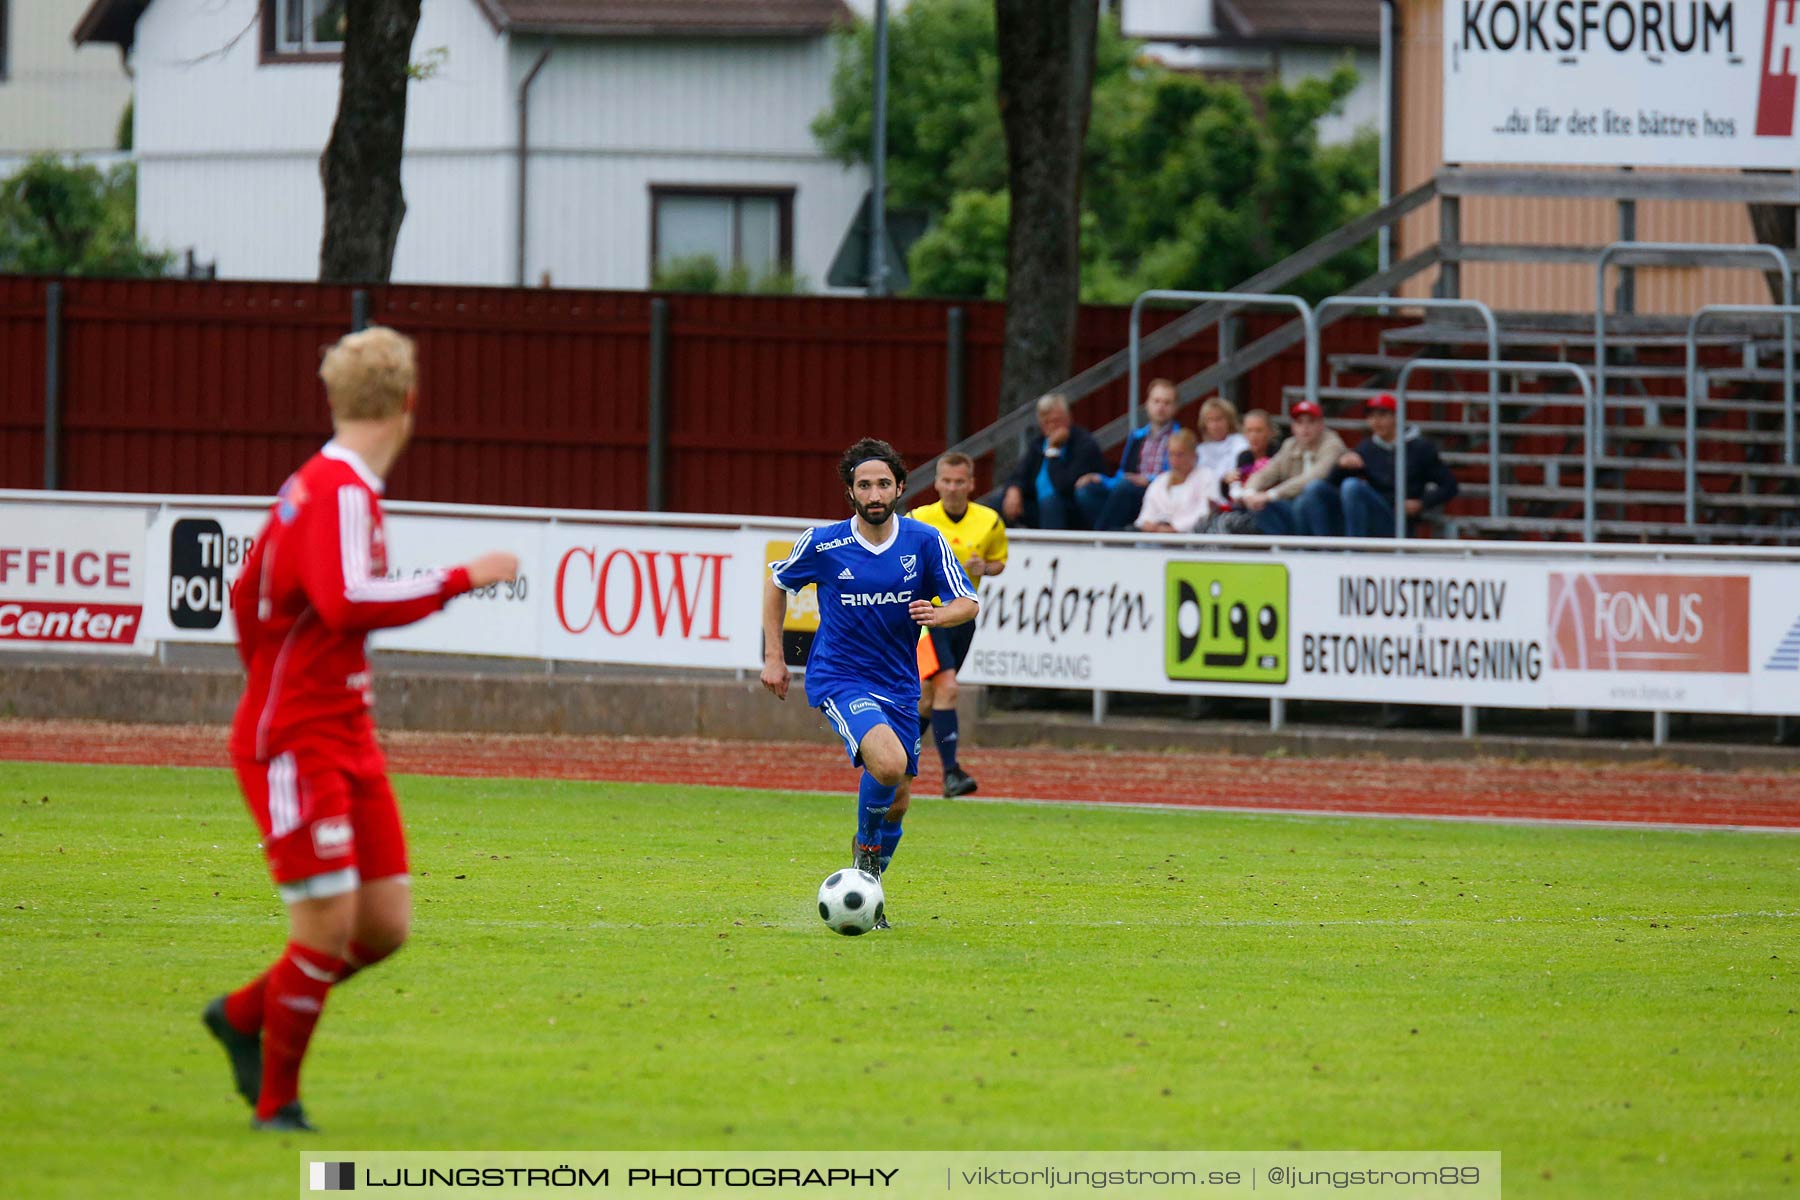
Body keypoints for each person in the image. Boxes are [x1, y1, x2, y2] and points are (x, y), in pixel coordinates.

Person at [203, 327, 520, 1132]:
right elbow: (346, 600)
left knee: (382, 928)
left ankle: (243, 1014)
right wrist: (462, 578)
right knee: (327, 927)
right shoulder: (337, 488)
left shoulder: (324, 488)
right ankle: (277, 1104)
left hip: (344, 730)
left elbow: (248, 597)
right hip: (298, 739)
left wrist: (276, 668)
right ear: (410, 404)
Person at [762, 438, 978, 927]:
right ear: (850, 492)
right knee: (888, 763)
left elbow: (968, 601)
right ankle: (863, 861)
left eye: (884, 483)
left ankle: (870, 881)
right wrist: (776, 657)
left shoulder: (924, 541)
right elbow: (777, 582)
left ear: (900, 487)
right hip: (840, 676)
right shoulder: (824, 543)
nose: (875, 493)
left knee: (898, 798)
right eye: (865, 485)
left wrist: (940, 615)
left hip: (899, 684)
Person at [909, 452, 1007, 797]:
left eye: (959, 481)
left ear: (971, 484)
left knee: (927, 697)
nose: (952, 488)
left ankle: (898, 757)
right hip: (926, 617)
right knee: (947, 688)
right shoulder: (919, 518)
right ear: (936, 483)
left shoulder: (990, 521)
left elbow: (998, 563)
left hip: (962, 617)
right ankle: (951, 773)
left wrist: (986, 568)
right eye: (946, 481)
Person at [1298, 392, 1460, 537]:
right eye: (1372, 416)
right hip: (1369, 516)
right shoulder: (1366, 447)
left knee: (1352, 486)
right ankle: (1323, 547)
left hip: (1397, 520)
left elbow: (1449, 485)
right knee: (1315, 489)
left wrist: (1421, 503)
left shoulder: (1420, 448)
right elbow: (1331, 485)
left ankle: (1354, 550)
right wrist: (1341, 467)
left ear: (1397, 416)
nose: (1377, 421)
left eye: (1383, 415)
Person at [1073, 378, 1182, 531]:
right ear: (1147, 404)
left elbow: (1179, 475)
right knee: (1086, 491)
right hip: (1127, 490)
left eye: (1167, 402)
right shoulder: (1137, 436)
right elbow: (1123, 473)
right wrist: (1101, 479)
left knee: (1125, 487)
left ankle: (1103, 535)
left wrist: (1149, 480)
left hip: (1156, 492)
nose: (1161, 407)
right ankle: (1116, 533)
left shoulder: (1180, 437)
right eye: (1156, 401)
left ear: (1175, 407)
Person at [1238, 400, 1349, 535]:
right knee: (1259, 506)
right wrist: (1250, 493)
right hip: (1295, 508)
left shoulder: (1332, 444)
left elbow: (1313, 477)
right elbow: (1265, 473)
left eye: (1311, 422)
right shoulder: (1290, 445)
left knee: (1312, 491)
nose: (1305, 427)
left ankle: (1321, 549)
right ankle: (1282, 549)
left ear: (1321, 424)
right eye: (1299, 422)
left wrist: (1270, 495)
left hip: (1330, 512)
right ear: (1293, 427)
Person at [1000, 393, 1106, 529]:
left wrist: (1053, 451)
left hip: (1072, 509)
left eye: (1056, 421)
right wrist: (1014, 490)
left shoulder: (1083, 444)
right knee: (999, 503)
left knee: (1050, 503)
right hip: (1039, 507)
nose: (1051, 426)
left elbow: (1064, 487)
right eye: (1046, 422)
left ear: (1068, 419)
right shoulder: (1038, 444)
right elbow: (1019, 474)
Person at [1134, 430, 1219, 533]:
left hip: (1193, 540)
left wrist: (1175, 528)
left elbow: (1206, 512)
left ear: (1193, 455)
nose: (1174, 460)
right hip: (1156, 539)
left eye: (1180, 455)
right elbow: (1145, 515)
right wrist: (1149, 524)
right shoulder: (1159, 481)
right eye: (1171, 454)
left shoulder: (1207, 476)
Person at [1209, 408, 1279, 533]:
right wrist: (1227, 482)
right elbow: (1233, 492)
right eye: (1249, 431)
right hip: (1244, 509)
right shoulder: (1244, 457)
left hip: (1269, 509)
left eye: (1259, 431)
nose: (1253, 436)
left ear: (1270, 432)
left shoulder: (1278, 455)